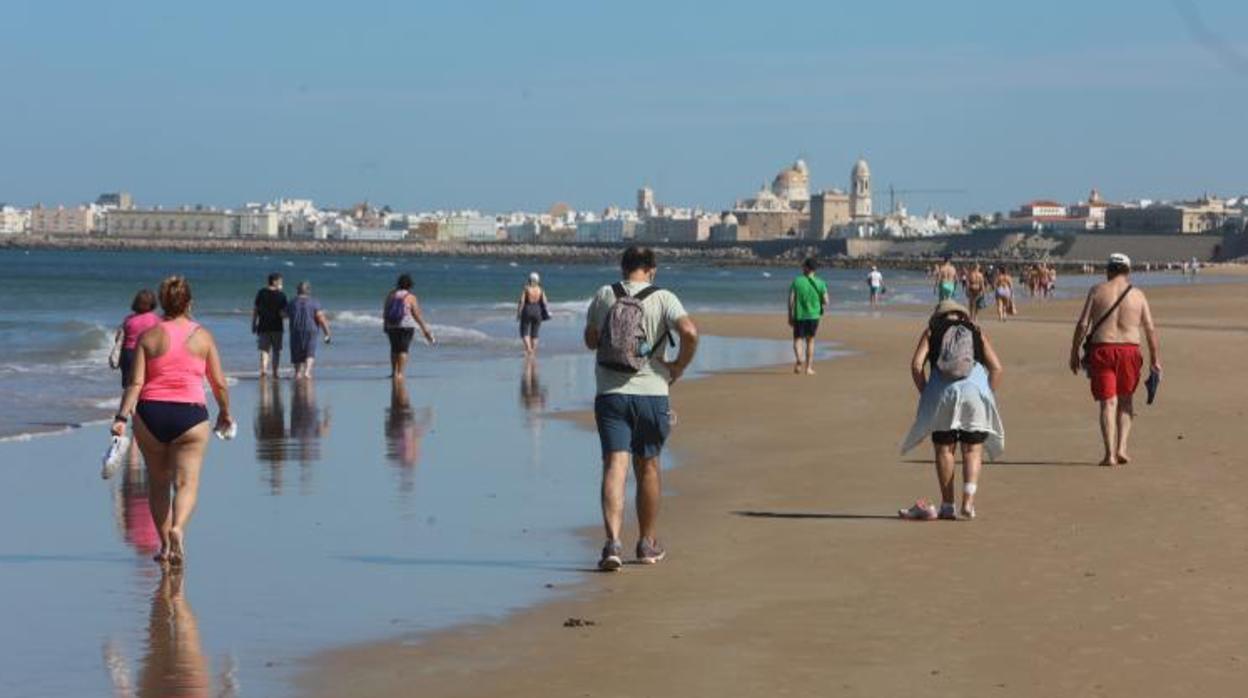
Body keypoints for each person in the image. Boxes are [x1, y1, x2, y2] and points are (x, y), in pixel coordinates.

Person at [584, 246, 698, 571]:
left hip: (611, 393)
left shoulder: (606, 294)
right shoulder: (664, 297)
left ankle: (612, 544)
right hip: (652, 393)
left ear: (622, 267)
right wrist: (678, 366)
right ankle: (647, 544)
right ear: (652, 270)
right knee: (648, 466)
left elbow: (591, 341)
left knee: (614, 466)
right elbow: (689, 332)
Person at [112, 276, 231, 566]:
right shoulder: (202, 336)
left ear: (162, 303)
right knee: (186, 482)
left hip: (150, 414)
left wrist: (121, 417)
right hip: (190, 415)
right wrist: (225, 412)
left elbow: (136, 383)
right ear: (190, 303)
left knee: (158, 483)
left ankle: (165, 546)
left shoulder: (149, 336)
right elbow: (218, 383)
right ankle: (178, 529)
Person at [901, 300, 1005, 520]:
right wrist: (987, 394)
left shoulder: (931, 331)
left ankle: (948, 506)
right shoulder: (976, 332)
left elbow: (916, 365)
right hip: (974, 393)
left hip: (942, 392)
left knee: (944, 450)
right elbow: (996, 368)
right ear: (962, 315)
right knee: (972, 450)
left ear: (939, 316)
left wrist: (926, 391)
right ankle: (968, 503)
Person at [1068, 253, 1161, 466]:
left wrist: (1074, 352)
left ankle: (1109, 454)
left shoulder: (1097, 291)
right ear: (1128, 272)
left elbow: (1083, 325)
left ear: (1108, 270)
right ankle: (1122, 449)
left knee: (1108, 402)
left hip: (1102, 349)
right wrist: (1155, 359)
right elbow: (1150, 329)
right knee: (1126, 400)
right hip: (1129, 350)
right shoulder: (1138, 295)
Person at [383, 273, 436, 377]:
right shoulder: (411, 297)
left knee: (394, 349)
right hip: (406, 326)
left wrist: (385, 325)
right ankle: (400, 373)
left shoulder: (391, 295)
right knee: (403, 349)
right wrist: (424, 329)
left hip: (392, 326)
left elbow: (385, 311)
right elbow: (416, 314)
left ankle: (394, 372)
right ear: (410, 285)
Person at [788, 257, 829, 375]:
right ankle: (808, 368)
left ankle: (799, 359)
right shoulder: (821, 283)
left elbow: (790, 300)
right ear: (815, 269)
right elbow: (826, 301)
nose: (802, 268)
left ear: (806, 268)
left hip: (799, 315)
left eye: (803, 266)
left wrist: (790, 315)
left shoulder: (797, 281)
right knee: (810, 341)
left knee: (797, 339)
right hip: (814, 316)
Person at [115, 289, 161, 390]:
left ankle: (129, 404)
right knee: (145, 384)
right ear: (153, 304)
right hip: (146, 353)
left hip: (128, 353)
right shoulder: (156, 319)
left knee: (128, 385)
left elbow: (118, 338)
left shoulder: (128, 319)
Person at [288, 281, 331, 380]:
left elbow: (283, 314)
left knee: (296, 351)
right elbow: (321, 318)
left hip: (296, 329)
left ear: (297, 290)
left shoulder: (292, 302)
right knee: (310, 351)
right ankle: (307, 372)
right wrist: (327, 333)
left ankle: (298, 373)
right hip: (311, 329)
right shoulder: (314, 302)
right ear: (308, 291)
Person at [253, 273, 288, 377]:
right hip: (277, 327)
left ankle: (263, 370)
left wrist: (254, 323)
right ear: (274, 282)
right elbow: (283, 313)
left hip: (263, 326)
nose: (282, 284)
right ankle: (275, 372)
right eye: (280, 282)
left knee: (264, 350)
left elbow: (256, 310)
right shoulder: (282, 295)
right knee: (276, 350)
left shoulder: (261, 293)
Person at [517, 271, 549, 356]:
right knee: (535, 332)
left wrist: (519, 312)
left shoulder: (526, 288)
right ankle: (533, 351)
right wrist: (546, 311)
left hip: (527, 309)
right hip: (537, 310)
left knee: (524, 331)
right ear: (538, 280)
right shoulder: (541, 289)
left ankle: (529, 349)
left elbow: (522, 301)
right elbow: (545, 302)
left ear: (529, 279)